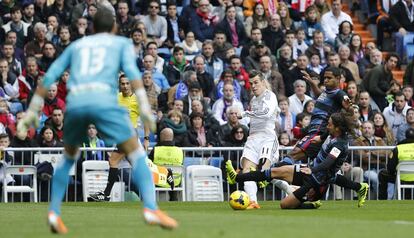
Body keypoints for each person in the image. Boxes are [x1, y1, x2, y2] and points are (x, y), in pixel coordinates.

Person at [16, 9, 178, 233]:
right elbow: (133, 74)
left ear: (92, 28)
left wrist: (34, 107)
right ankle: (150, 207)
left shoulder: (77, 45)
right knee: (137, 154)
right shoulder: (120, 43)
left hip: (76, 101)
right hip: (103, 99)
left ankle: (54, 212)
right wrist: (144, 106)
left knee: (68, 157)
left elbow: (52, 72)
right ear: (113, 27)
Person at [226, 112, 369, 209]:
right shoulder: (332, 134)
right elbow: (326, 135)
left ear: (337, 128)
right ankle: (236, 177)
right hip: (310, 171)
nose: (327, 126)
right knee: (274, 172)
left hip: (316, 180)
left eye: (330, 124)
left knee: (284, 205)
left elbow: (328, 163)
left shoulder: (339, 144)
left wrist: (312, 169)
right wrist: (320, 137)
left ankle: (310, 204)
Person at [236, 70, 280, 209]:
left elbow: (266, 114)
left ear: (263, 82)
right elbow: (254, 119)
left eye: (256, 83)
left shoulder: (270, 96)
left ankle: (290, 188)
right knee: (247, 170)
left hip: (267, 138)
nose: (253, 86)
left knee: (264, 171)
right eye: (251, 83)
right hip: (253, 138)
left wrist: (244, 113)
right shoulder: (254, 100)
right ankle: (253, 202)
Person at [378, 128, 414, 200]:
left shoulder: (398, 148)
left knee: (382, 174)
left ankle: (382, 200)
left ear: (405, 136)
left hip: (401, 178)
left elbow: (390, 168)